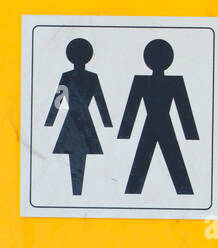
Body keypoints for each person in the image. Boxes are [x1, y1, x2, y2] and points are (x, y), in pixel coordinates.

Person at [117, 39, 198, 194]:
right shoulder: (146, 81)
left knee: (149, 165)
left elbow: (183, 108)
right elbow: (132, 108)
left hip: (158, 125)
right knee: (144, 166)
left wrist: (125, 133)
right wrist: (190, 134)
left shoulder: (171, 81)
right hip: (160, 125)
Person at [45, 38, 112, 196]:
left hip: (74, 121)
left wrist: (50, 121)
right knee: (78, 155)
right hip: (82, 120)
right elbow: (99, 102)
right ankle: (77, 193)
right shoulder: (87, 77)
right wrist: (106, 122)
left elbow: (58, 102)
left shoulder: (70, 76)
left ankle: (77, 193)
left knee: (76, 155)